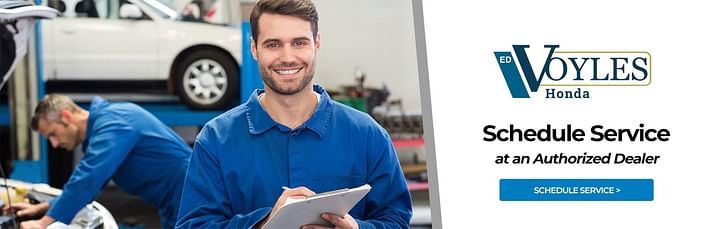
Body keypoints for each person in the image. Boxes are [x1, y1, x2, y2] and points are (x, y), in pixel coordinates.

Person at [175, 0, 412, 228]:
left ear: (316, 43)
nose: (287, 57)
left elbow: (396, 220)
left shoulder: (367, 135)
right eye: (273, 44)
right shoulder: (216, 141)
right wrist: (264, 224)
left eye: (299, 43)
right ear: (254, 48)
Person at [15, 94, 192, 229]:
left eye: (53, 134)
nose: (54, 144)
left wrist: (43, 223)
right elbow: (89, 187)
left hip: (189, 194)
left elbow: (89, 177)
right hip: (174, 200)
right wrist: (45, 207)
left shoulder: (113, 122)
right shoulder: (107, 124)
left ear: (67, 117)